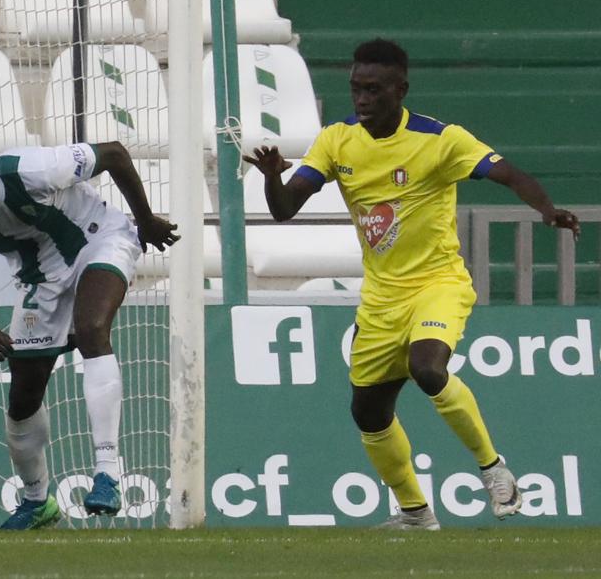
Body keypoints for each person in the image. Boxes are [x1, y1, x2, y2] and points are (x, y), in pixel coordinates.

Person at [244, 38, 581, 530]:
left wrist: (547, 210)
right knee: (368, 411)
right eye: (356, 89)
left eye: (374, 90)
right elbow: (284, 208)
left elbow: (509, 174)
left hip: (437, 282)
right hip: (381, 298)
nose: (362, 99)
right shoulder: (337, 141)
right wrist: (273, 176)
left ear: (400, 89)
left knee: (428, 368)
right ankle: (415, 513)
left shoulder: (440, 139)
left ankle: (494, 469)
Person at [0, 116, 179, 530]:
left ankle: (107, 472)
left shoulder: (31, 169)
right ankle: (37, 502)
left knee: (91, 329)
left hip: (98, 239)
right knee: (22, 399)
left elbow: (115, 155)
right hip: (42, 280)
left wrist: (144, 220)